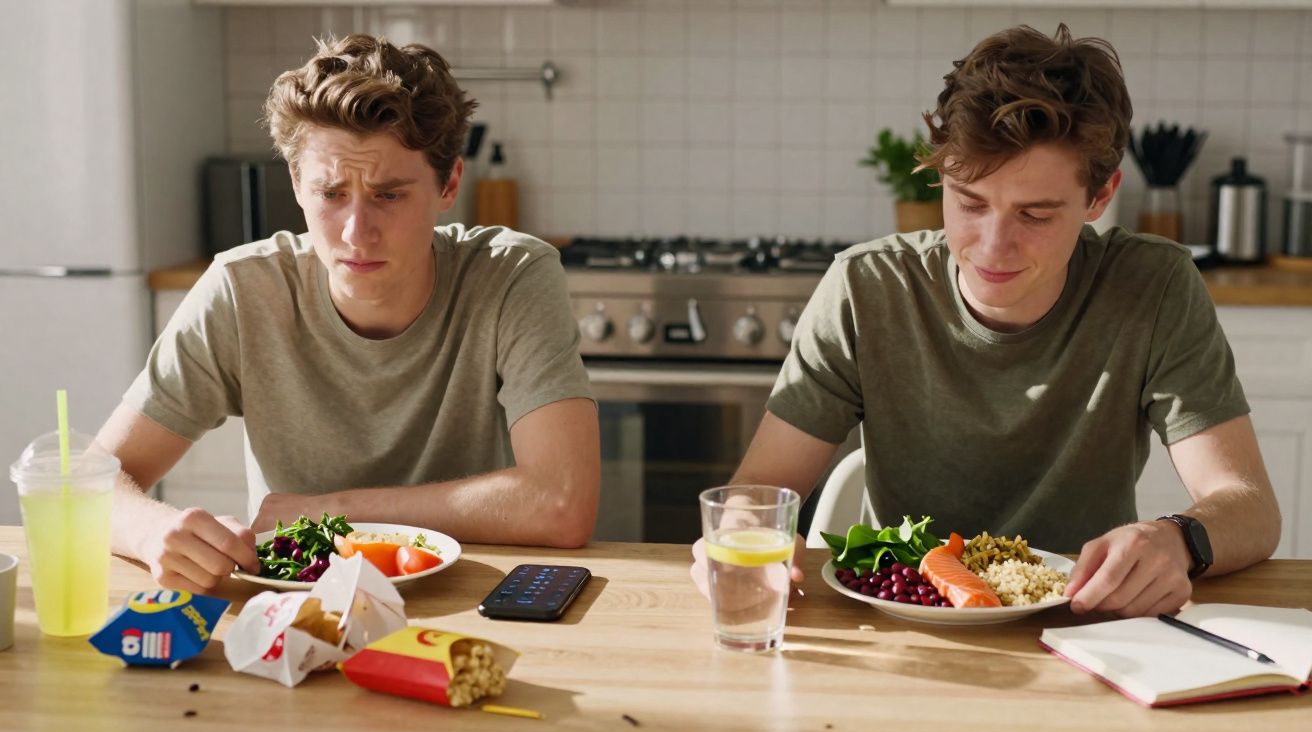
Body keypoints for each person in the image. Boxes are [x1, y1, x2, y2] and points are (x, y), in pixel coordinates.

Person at [692, 24, 1280, 619]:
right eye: (970, 203)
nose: (993, 248)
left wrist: (1178, 538)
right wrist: (742, 532)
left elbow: (1249, 507)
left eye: (1036, 214)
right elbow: (760, 491)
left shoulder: (1153, 286)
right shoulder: (867, 288)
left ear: (1100, 197)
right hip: (903, 623)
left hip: (1080, 626)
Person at [97, 34, 600, 593]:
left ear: (449, 184)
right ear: (296, 185)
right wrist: (150, 531)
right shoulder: (242, 290)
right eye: (332, 194)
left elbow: (561, 502)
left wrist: (333, 511)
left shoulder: (513, 277)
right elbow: (87, 482)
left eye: (389, 195)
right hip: (295, 611)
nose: (357, 233)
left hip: (471, 599)